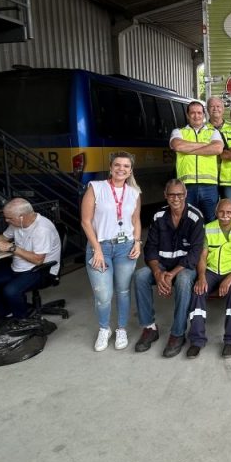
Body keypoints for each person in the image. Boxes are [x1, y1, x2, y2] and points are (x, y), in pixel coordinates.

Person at [133, 180, 206, 357]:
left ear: (185, 195)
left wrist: (171, 274)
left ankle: (178, 333)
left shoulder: (195, 217)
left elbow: (195, 253)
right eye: (171, 194)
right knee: (141, 276)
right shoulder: (159, 216)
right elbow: (150, 247)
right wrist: (158, 273)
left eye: (179, 194)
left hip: (184, 267)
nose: (176, 198)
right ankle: (149, 328)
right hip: (163, 265)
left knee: (182, 281)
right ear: (165, 196)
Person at [79, 152, 142, 351]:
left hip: (126, 247)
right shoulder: (96, 188)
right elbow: (86, 221)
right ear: (111, 167)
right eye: (117, 165)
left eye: (126, 166)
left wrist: (138, 242)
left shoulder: (134, 192)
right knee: (104, 294)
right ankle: (104, 328)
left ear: (130, 170)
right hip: (101, 247)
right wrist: (96, 249)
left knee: (123, 291)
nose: (121, 169)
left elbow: (135, 220)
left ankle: (121, 329)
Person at [187, 199, 231, 359]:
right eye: (221, 212)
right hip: (211, 270)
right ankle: (196, 341)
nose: (225, 215)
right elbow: (202, 256)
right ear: (216, 213)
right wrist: (201, 277)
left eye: (229, 212)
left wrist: (229, 279)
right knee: (198, 292)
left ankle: (230, 341)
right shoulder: (208, 229)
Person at [170, 101, 223, 222]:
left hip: (209, 185)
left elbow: (218, 148)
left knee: (211, 220)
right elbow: (178, 146)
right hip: (186, 186)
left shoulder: (213, 132)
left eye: (199, 113)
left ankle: (209, 242)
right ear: (188, 115)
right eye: (192, 113)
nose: (196, 116)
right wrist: (206, 146)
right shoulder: (178, 132)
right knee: (187, 220)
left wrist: (188, 149)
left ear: (204, 115)